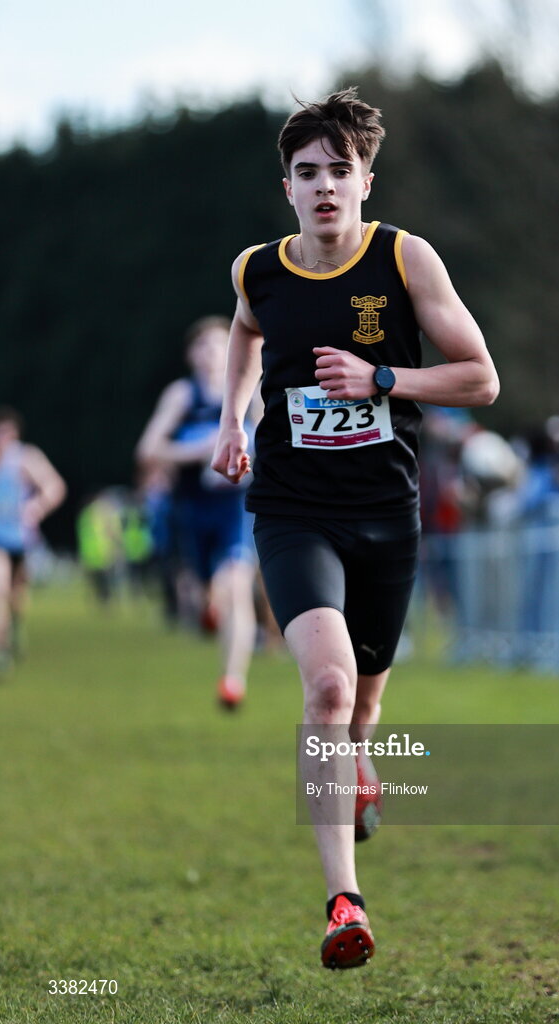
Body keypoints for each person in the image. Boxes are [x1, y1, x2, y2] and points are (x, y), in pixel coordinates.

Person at [211, 88, 499, 968]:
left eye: (342, 170)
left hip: (386, 513)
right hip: (295, 511)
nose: (326, 187)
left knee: (365, 704)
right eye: (309, 174)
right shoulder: (257, 268)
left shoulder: (406, 260)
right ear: (288, 188)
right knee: (329, 691)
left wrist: (382, 381)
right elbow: (245, 333)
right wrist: (231, 417)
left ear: (367, 180)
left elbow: (480, 380)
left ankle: (362, 770)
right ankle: (345, 902)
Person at [136, 317, 258, 708]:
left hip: (236, 506)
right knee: (209, 592)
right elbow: (148, 450)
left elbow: (274, 439)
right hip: (192, 508)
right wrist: (202, 449)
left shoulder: (248, 391)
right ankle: (208, 607)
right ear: (191, 354)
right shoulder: (182, 396)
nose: (210, 354)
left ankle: (232, 680)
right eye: (202, 346)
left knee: (237, 586)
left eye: (219, 345)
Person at [0, 406, 66, 670]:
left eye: (6, 432)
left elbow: (55, 486)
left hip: (20, 536)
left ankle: (15, 627)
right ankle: (1, 648)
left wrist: (37, 507)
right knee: (0, 589)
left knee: (16, 595)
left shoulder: (25, 458)